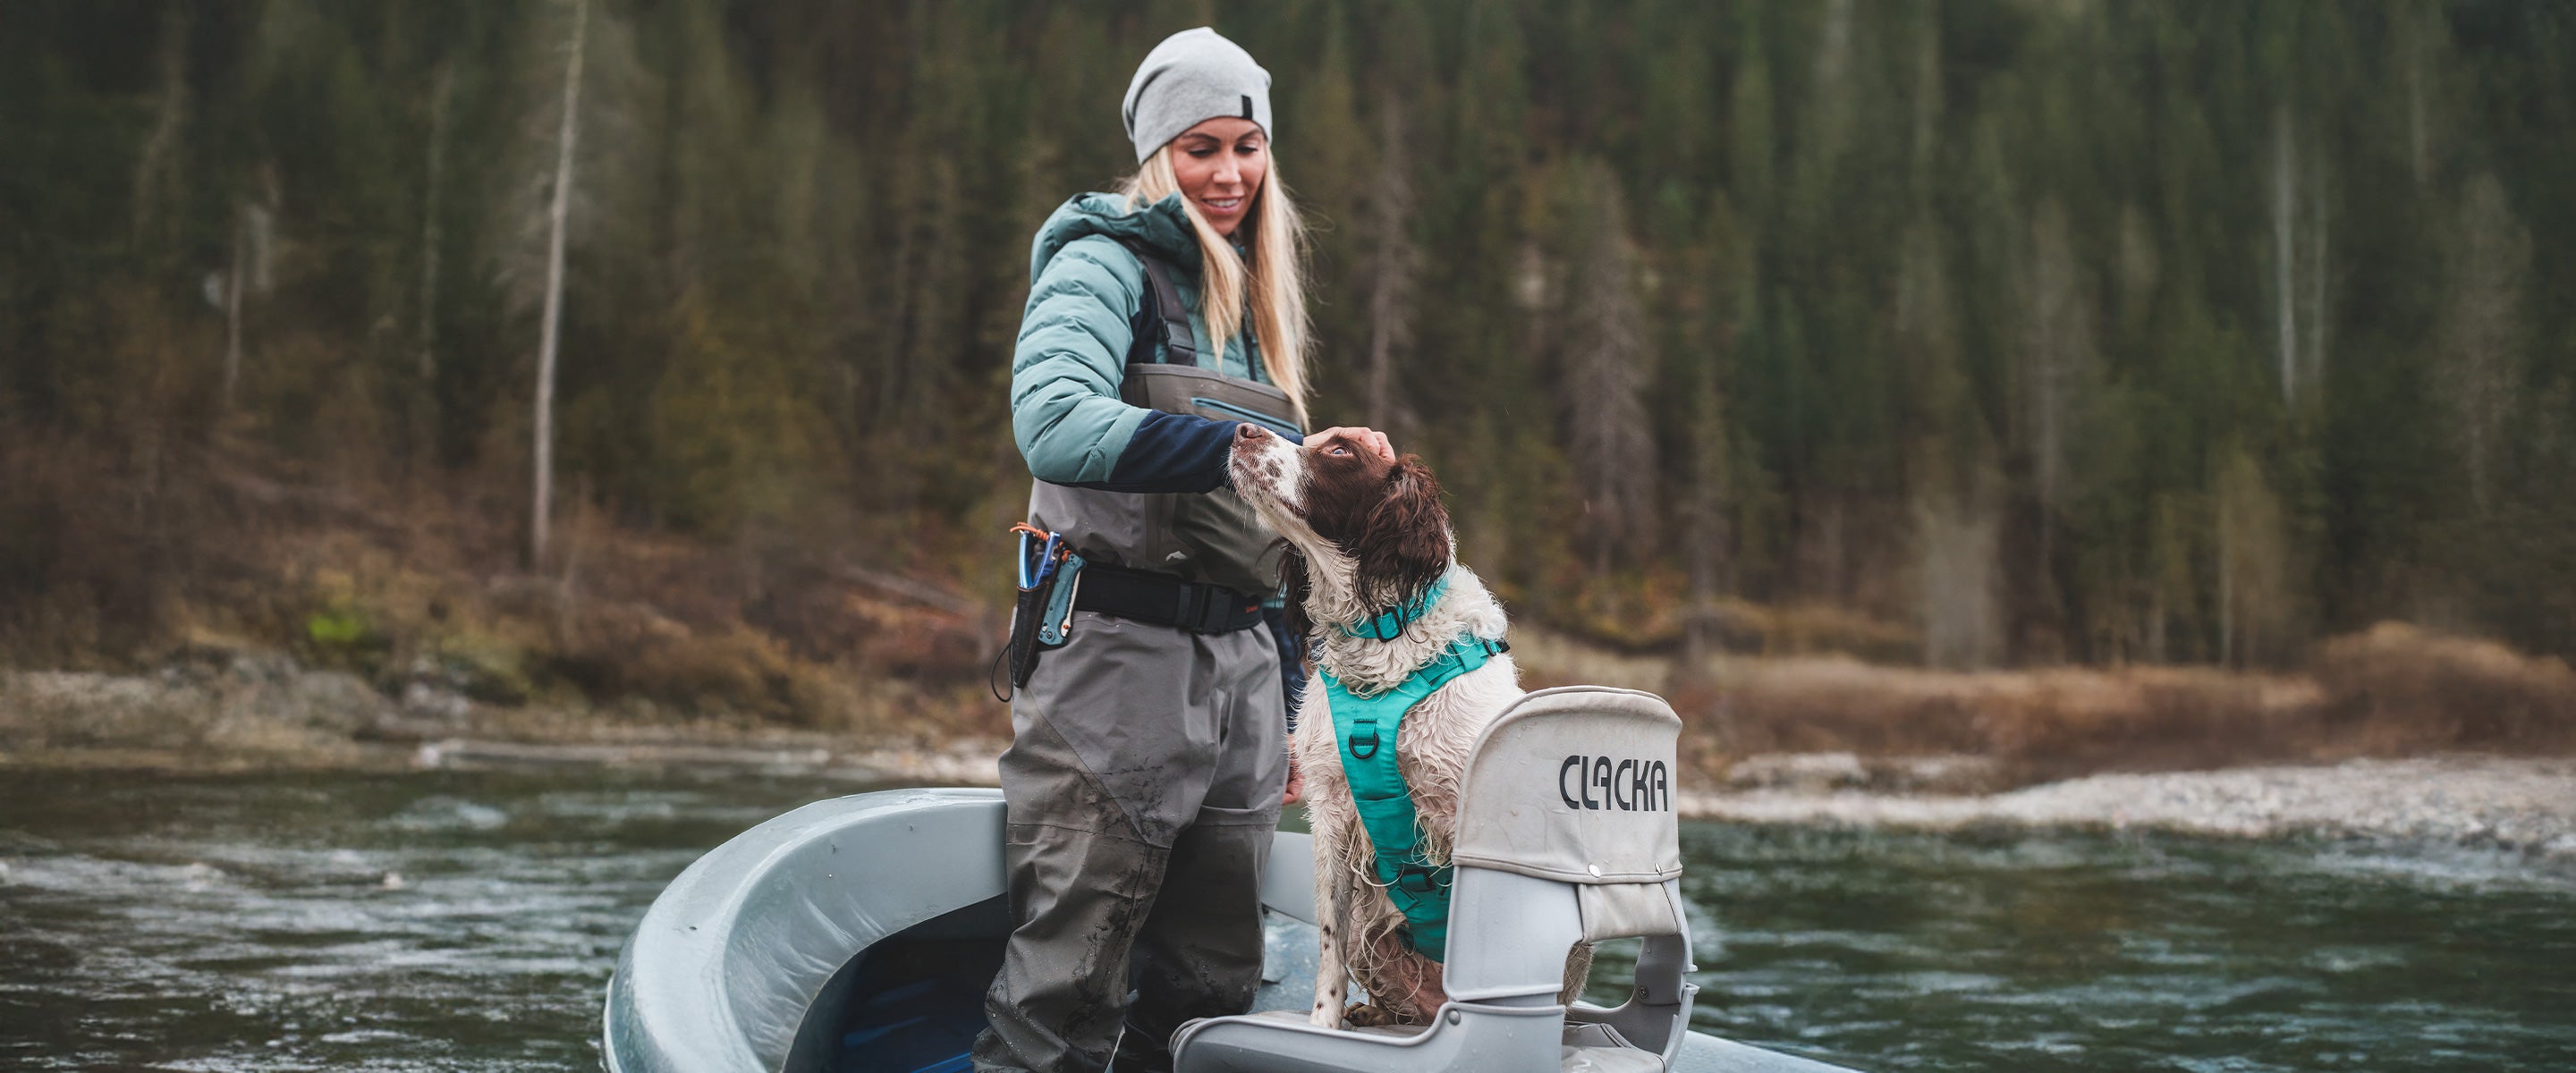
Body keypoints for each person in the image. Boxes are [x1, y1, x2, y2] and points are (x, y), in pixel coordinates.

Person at [975, 26, 1393, 1073]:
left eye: (1246, 147)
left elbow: (1273, 546)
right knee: (1065, 985)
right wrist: (1246, 447)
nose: (1228, 174)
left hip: (1247, 684)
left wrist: (1296, 696)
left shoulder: (1257, 307)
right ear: (1160, 155)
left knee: (1211, 986)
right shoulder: (1101, 262)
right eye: (1200, 148)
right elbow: (1054, 424)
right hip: (1113, 673)